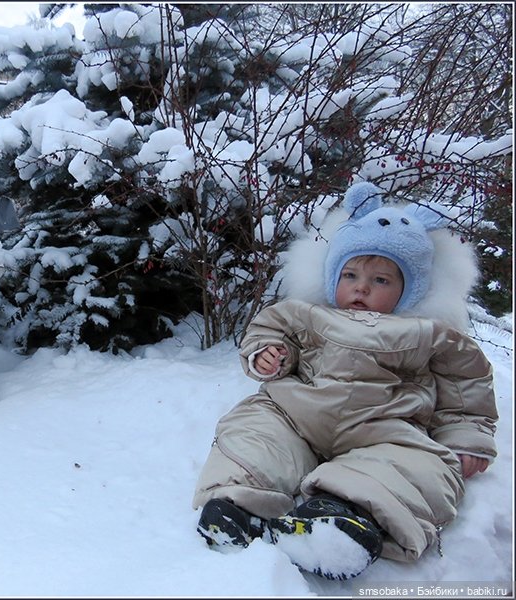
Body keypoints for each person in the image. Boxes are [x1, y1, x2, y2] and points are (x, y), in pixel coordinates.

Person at [192, 182, 498, 580]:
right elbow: (269, 331)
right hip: (298, 415)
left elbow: (465, 390)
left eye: (382, 281)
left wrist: (466, 438)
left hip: (383, 429)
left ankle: (345, 516)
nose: (361, 287)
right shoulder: (306, 313)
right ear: (332, 274)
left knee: (421, 467)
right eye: (350, 274)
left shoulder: (430, 332)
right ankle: (241, 503)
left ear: (412, 288)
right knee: (256, 429)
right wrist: (269, 354)